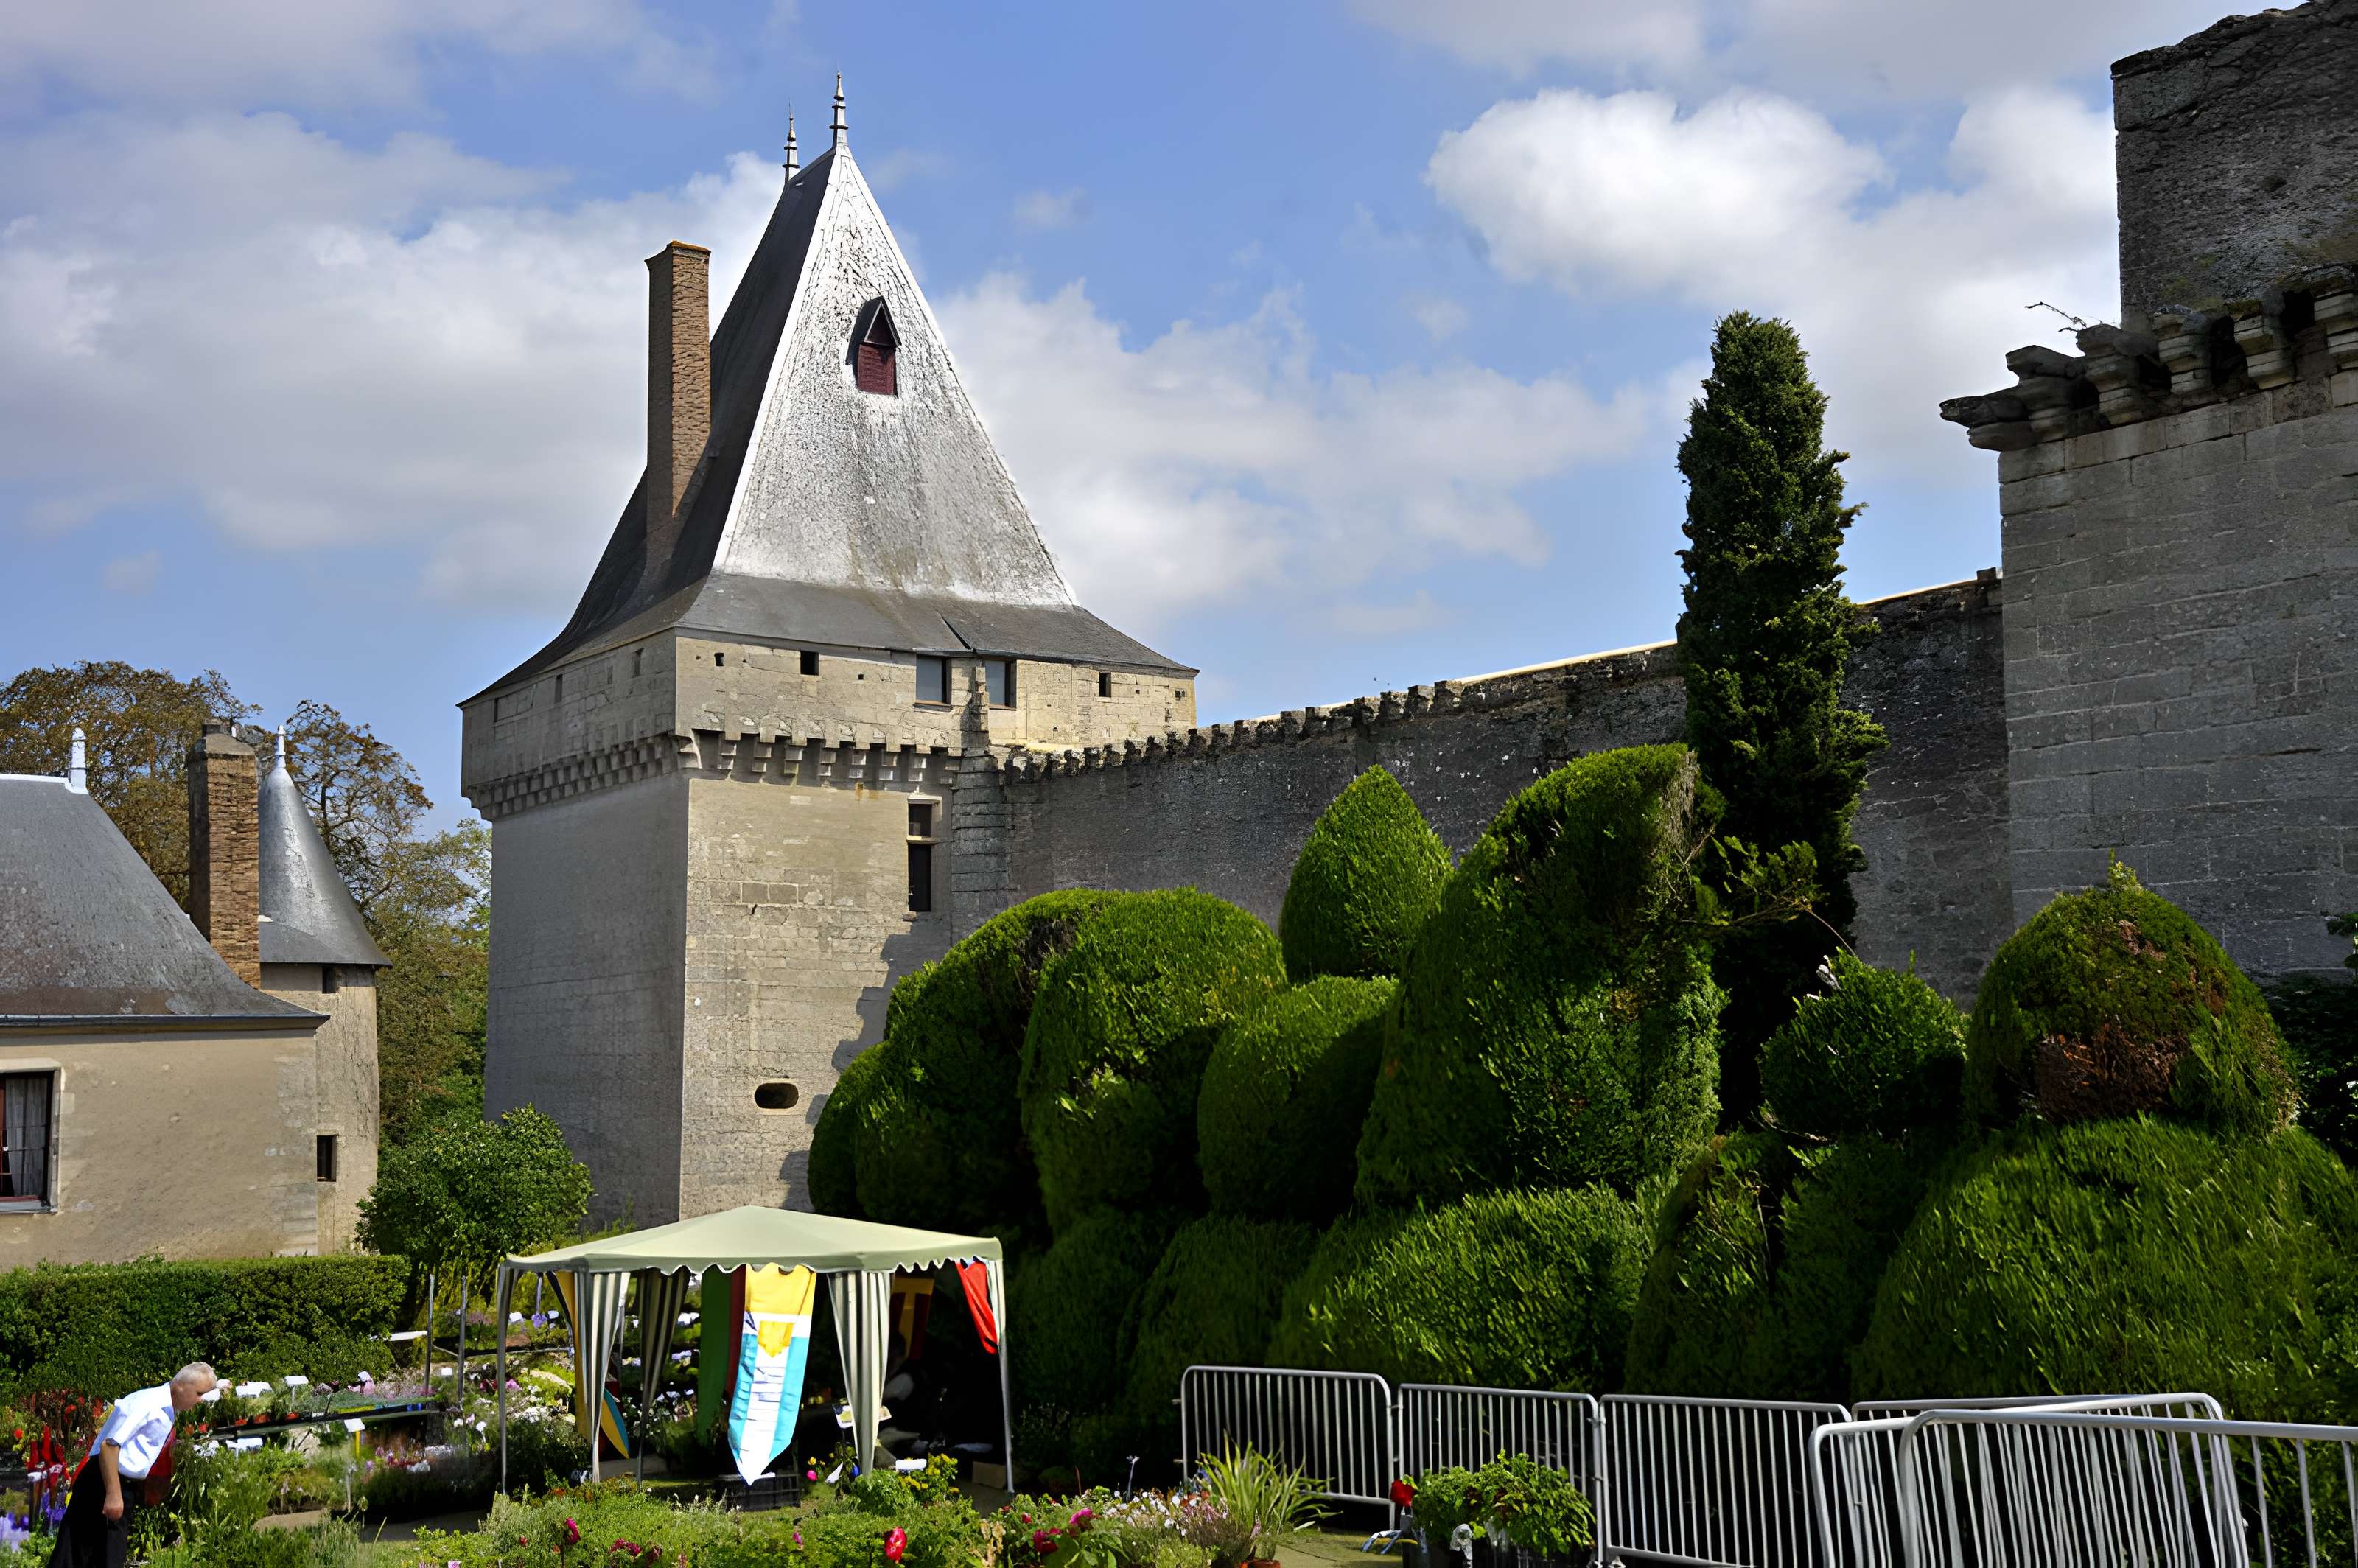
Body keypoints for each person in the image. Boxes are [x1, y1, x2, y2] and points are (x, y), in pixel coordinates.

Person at [48, 1362, 217, 1568]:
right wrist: (113, 1495)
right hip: (104, 1482)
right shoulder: (148, 1403)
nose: (201, 1400)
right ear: (181, 1386)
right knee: (79, 1557)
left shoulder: (166, 1407)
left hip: (119, 1484)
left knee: (101, 1557)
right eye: (199, 1393)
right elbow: (109, 1446)